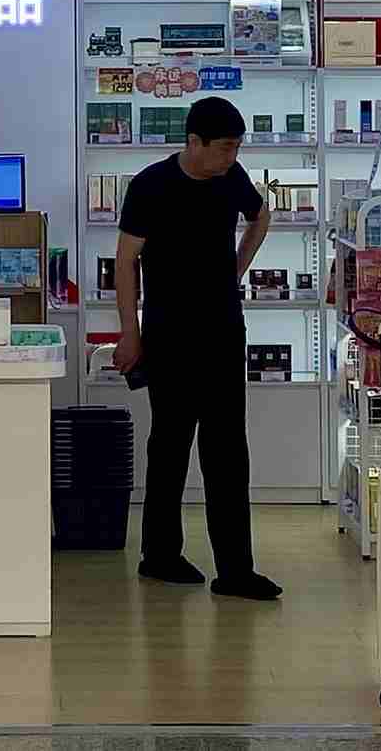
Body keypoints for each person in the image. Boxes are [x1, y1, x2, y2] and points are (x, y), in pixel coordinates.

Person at [114, 96, 281, 602]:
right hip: (168, 333)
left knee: (228, 449)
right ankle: (159, 555)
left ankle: (235, 570)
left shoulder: (231, 177)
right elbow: (125, 262)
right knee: (169, 444)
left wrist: (235, 269)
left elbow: (260, 216)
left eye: (237, 148)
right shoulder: (150, 185)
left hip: (224, 330)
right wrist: (129, 332)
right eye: (225, 148)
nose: (232, 157)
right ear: (194, 142)